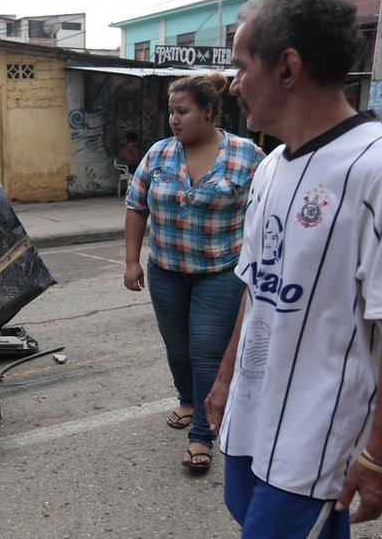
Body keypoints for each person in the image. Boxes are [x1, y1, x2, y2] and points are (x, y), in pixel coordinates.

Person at [205, 0, 382, 536]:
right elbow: (255, 287)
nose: (233, 83)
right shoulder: (269, 168)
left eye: (241, 65)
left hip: (317, 437)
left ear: (287, 67)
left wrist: (380, 456)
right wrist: (225, 378)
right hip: (251, 414)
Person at [123, 72, 264, 472]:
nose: (174, 119)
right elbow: (136, 206)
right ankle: (186, 398)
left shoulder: (246, 155)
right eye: (171, 111)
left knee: (206, 354)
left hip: (220, 273)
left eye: (182, 111)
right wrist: (133, 260)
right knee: (177, 347)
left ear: (208, 111)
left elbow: (267, 210)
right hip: (166, 270)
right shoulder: (159, 154)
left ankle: (202, 434)